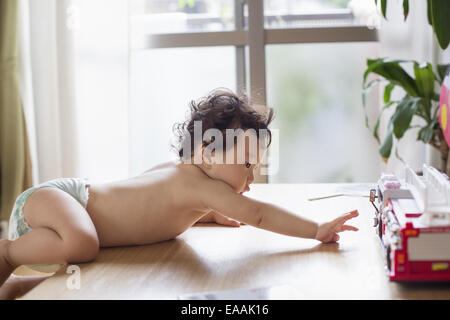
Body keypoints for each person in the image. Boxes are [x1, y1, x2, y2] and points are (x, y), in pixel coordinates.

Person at [0, 88, 358, 296]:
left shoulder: (188, 180)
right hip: (59, 199)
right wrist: (316, 229)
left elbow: (157, 207)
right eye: (247, 165)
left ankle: (18, 286)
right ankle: (8, 252)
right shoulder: (198, 184)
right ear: (208, 152)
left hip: (62, 202)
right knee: (83, 246)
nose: (252, 179)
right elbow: (260, 214)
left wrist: (212, 214)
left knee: (75, 259)